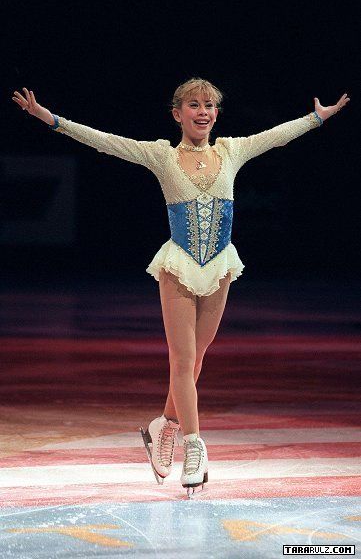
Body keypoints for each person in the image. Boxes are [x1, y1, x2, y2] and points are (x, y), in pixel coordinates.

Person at [12, 80, 350, 497]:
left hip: (221, 267)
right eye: (194, 104)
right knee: (182, 359)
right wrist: (50, 118)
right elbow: (105, 142)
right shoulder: (162, 155)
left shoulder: (231, 150)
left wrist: (318, 118)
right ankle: (195, 446)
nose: (203, 111)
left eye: (209, 105)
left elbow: (275, 136)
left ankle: (163, 427)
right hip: (179, 267)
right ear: (177, 113)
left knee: (195, 362)